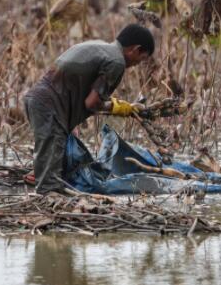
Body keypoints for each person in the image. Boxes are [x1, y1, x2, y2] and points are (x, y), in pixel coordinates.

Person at [23, 24, 155, 194]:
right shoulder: (117, 62)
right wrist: (118, 108)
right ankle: (47, 205)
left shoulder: (99, 47)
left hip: (37, 100)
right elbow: (91, 103)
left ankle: (39, 175)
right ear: (135, 50)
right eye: (142, 58)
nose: (138, 64)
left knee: (52, 157)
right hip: (50, 106)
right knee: (49, 188)